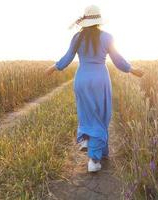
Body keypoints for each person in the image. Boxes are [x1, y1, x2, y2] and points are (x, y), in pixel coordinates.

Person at [45, 5, 144, 172]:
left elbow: (67, 57)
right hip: (100, 79)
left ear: (85, 20)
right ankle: (94, 159)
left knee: (86, 113)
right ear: (99, 20)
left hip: (82, 78)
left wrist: (54, 67)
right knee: (101, 116)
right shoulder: (107, 37)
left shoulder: (77, 37)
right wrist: (132, 70)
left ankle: (89, 142)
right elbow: (118, 60)